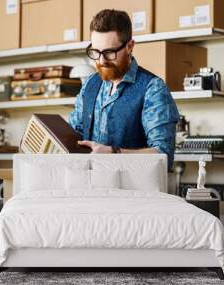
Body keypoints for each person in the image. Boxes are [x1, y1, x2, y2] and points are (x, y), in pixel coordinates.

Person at [69, 9, 179, 169]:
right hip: (90, 188)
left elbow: (163, 155)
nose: (101, 60)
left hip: (133, 190)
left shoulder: (152, 88)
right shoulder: (90, 84)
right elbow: (74, 135)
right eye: (95, 51)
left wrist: (115, 153)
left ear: (129, 46)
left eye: (109, 52)